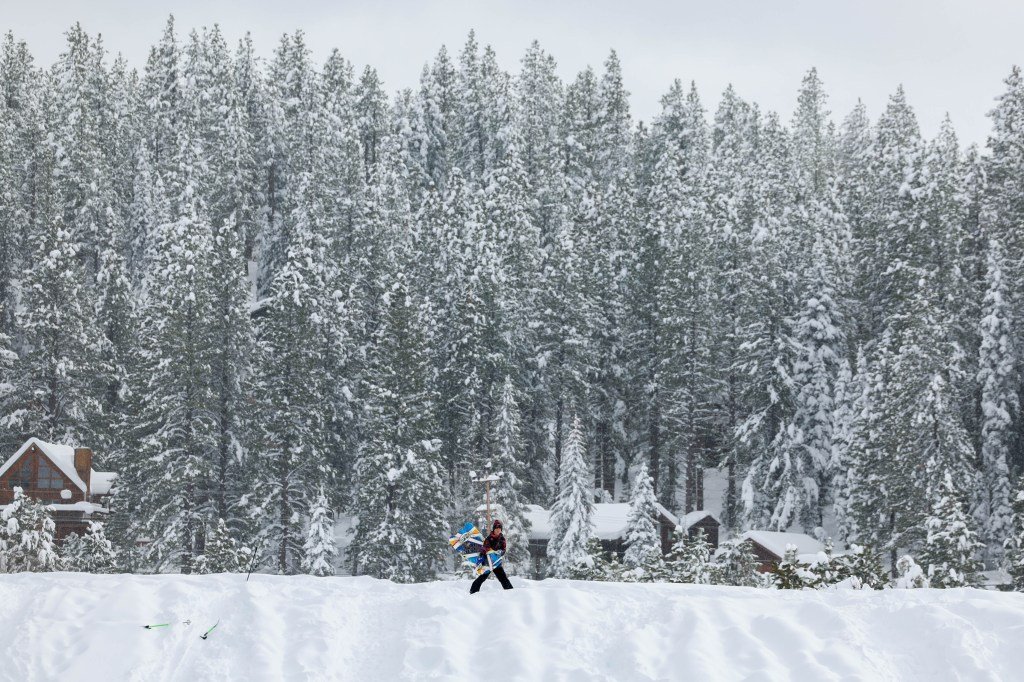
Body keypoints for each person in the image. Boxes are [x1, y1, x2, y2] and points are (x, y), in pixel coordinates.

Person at [469, 519, 514, 593]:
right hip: (488, 562)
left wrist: (501, 552)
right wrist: (481, 557)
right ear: (494, 529)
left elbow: (504, 549)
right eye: (496, 529)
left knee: (503, 578)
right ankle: (473, 592)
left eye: (499, 529)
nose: (498, 530)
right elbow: (484, 548)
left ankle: (511, 592)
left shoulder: (502, 539)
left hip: (496, 562)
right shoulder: (489, 538)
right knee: (482, 577)